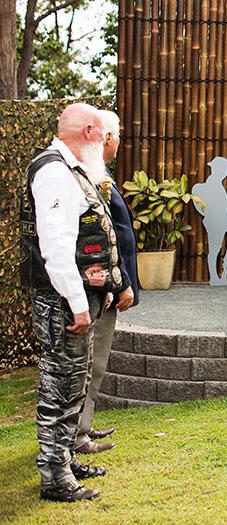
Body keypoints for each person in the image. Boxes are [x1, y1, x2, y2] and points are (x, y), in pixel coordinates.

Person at [20, 103, 123, 502]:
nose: (107, 140)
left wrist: (104, 285)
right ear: (89, 131)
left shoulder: (69, 169)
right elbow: (57, 246)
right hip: (62, 300)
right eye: (102, 131)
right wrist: (79, 304)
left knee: (72, 383)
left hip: (75, 297)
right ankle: (54, 477)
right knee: (59, 386)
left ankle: (64, 459)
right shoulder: (54, 172)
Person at [73, 109, 138, 455]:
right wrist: (120, 283)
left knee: (95, 362)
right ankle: (77, 434)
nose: (117, 141)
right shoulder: (90, 176)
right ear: (107, 137)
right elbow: (104, 238)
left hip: (107, 286)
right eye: (117, 135)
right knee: (92, 362)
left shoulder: (99, 173)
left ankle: (85, 424)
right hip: (103, 287)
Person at [192, 157, 227, 286]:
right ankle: (214, 277)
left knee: (217, 249)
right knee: (214, 249)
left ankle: (218, 277)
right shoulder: (211, 186)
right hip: (214, 221)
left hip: (221, 221)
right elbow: (218, 209)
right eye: (224, 171)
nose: (225, 174)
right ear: (216, 170)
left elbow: (223, 210)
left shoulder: (217, 185)